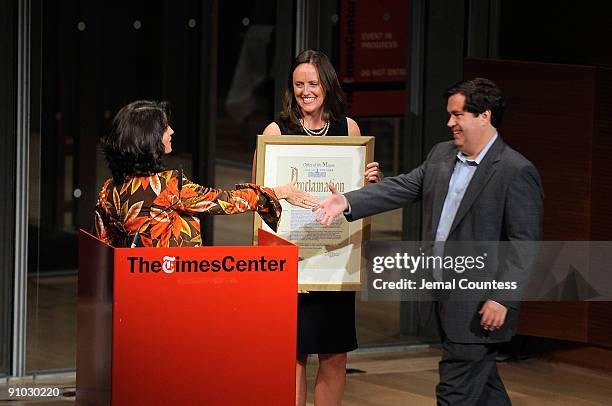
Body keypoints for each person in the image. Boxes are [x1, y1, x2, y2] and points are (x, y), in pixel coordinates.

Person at [315, 78, 544, 405]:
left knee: (455, 391)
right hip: (441, 296)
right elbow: (403, 187)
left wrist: (502, 298)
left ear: (485, 116)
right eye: (450, 115)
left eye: (458, 114)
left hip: (477, 304)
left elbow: (525, 244)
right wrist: (348, 203)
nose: (450, 122)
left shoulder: (515, 170)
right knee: (484, 389)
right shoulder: (442, 156)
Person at [260, 50, 382, 406]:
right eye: (299, 84)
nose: (306, 91)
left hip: (334, 258)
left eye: (313, 83)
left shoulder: (350, 129)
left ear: (327, 85)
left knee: (335, 354)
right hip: (293, 262)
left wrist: (370, 183)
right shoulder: (276, 132)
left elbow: (356, 198)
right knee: (294, 355)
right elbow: (260, 197)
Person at [94, 100, 317, 248]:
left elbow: (105, 249)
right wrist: (279, 192)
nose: (171, 131)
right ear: (147, 137)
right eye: (164, 127)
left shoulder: (109, 189)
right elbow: (224, 201)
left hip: (133, 292)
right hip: (170, 290)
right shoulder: (167, 185)